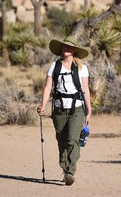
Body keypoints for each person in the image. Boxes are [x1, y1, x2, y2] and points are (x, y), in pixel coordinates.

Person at [37, 36, 91, 186]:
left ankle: (70, 172)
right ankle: (65, 168)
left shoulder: (82, 68)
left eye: (68, 47)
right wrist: (43, 105)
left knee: (72, 139)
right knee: (61, 141)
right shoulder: (54, 66)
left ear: (74, 50)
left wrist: (89, 110)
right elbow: (48, 87)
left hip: (77, 108)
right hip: (59, 109)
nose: (65, 49)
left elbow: (85, 89)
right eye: (63, 47)